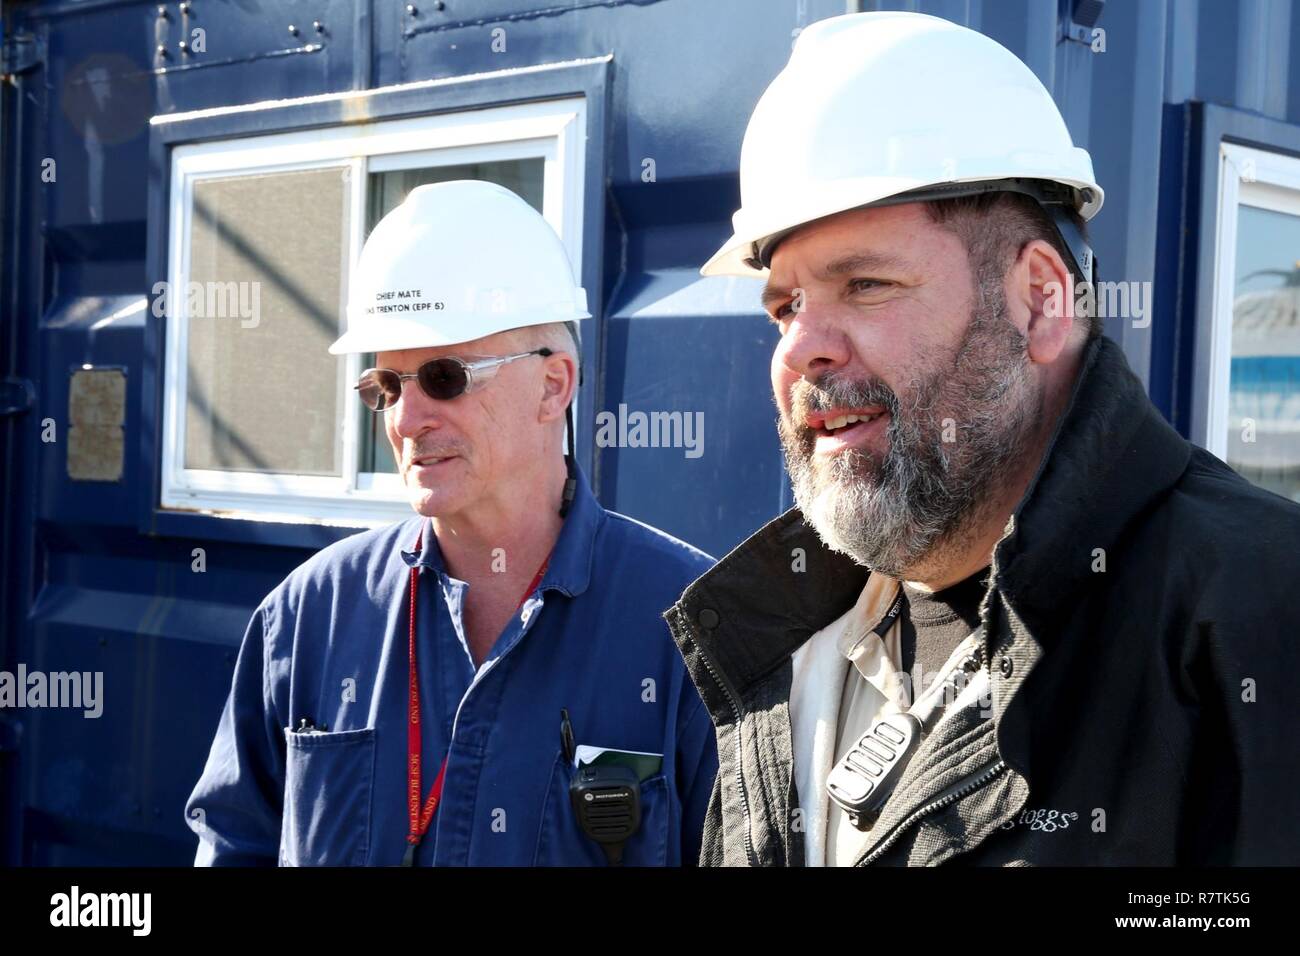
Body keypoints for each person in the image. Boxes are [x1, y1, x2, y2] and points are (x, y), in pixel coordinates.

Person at [666, 11, 1300, 866]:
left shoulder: (1254, 614)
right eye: (784, 305)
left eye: (865, 283)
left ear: (1040, 300)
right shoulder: (792, 642)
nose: (798, 348)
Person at [186, 180, 717, 866]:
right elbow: (236, 844)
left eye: (444, 377)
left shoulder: (692, 627)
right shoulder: (306, 617)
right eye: (388, 386)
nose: (405, 421)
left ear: (554, 385)